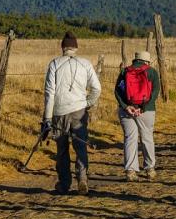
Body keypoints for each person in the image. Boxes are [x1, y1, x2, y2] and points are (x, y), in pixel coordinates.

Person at [42, 32, 102, 195]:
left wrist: (47, 118)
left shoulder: (54, 64)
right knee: (80, 145)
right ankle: (82, 179)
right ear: (75, 47)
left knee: (62, 149)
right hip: (79, 111)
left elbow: (49, 93)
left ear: (63, 47)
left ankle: (64, 183)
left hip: (59, 112)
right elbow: (97, 89)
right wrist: (87, 103)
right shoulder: (85, 64)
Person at [116, 50, 161, 181]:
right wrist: (143, 108)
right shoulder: (151, 72)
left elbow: (117, 91)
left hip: (127, 111)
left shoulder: (125, 71)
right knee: (147, 137)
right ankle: (150, 169)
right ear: (147, 61)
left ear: (135, 60)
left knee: (130, 139)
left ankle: (130, 171)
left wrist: (126, 107)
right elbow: (155, 92)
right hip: (147, 110)